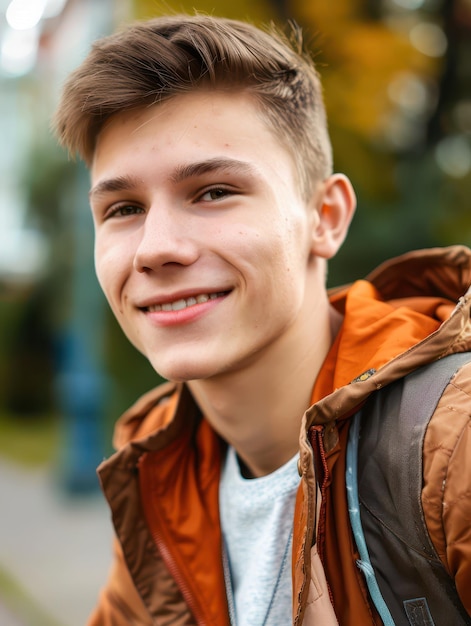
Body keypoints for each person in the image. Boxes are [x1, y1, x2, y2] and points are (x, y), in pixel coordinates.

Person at [53, 13, 471, 626]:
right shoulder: (163, 471)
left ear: (325, 217)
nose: (154, 248)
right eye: (123, 208)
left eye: (214, 191)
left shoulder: (451, 448)